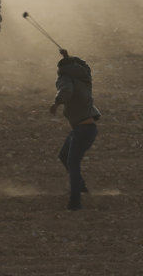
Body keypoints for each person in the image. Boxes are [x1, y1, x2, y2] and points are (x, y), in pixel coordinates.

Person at [49, 51, 101, 211]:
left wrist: (56, 104)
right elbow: (84, 65)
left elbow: (66, 91)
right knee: (64, 155)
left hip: (82, 129)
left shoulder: (65, 78)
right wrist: (68, 56)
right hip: (87, 128)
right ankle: (81, 186)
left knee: (72, 163)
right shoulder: (84, 77)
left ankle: (75, 203)